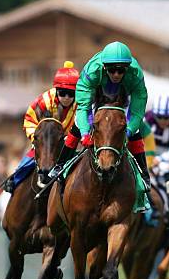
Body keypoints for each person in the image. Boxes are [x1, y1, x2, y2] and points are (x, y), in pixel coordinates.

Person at [53, 41, 150, 189]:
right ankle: (59, 166)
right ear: (104, 67)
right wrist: (85, 133)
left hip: (123, 100)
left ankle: (144, 173)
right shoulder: (92, 71)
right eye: (112, 70)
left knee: (135, 129)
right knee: (79, 124)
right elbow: (83, 108)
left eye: (121, 70)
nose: (116, 74)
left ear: (127, 68)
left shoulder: (135, 74)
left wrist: (128, 131)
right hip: (96, 99)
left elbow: (137, 112)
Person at [3, 61, 79, 193]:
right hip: (44, 141)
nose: (66, 97)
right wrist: (37, 138)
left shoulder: (81, 104)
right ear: (56, 90)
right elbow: (29, 119)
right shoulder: (44, 101)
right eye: (62, 93)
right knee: (30, 158)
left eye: (71, 94)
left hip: (68, 143)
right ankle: (14, 179)